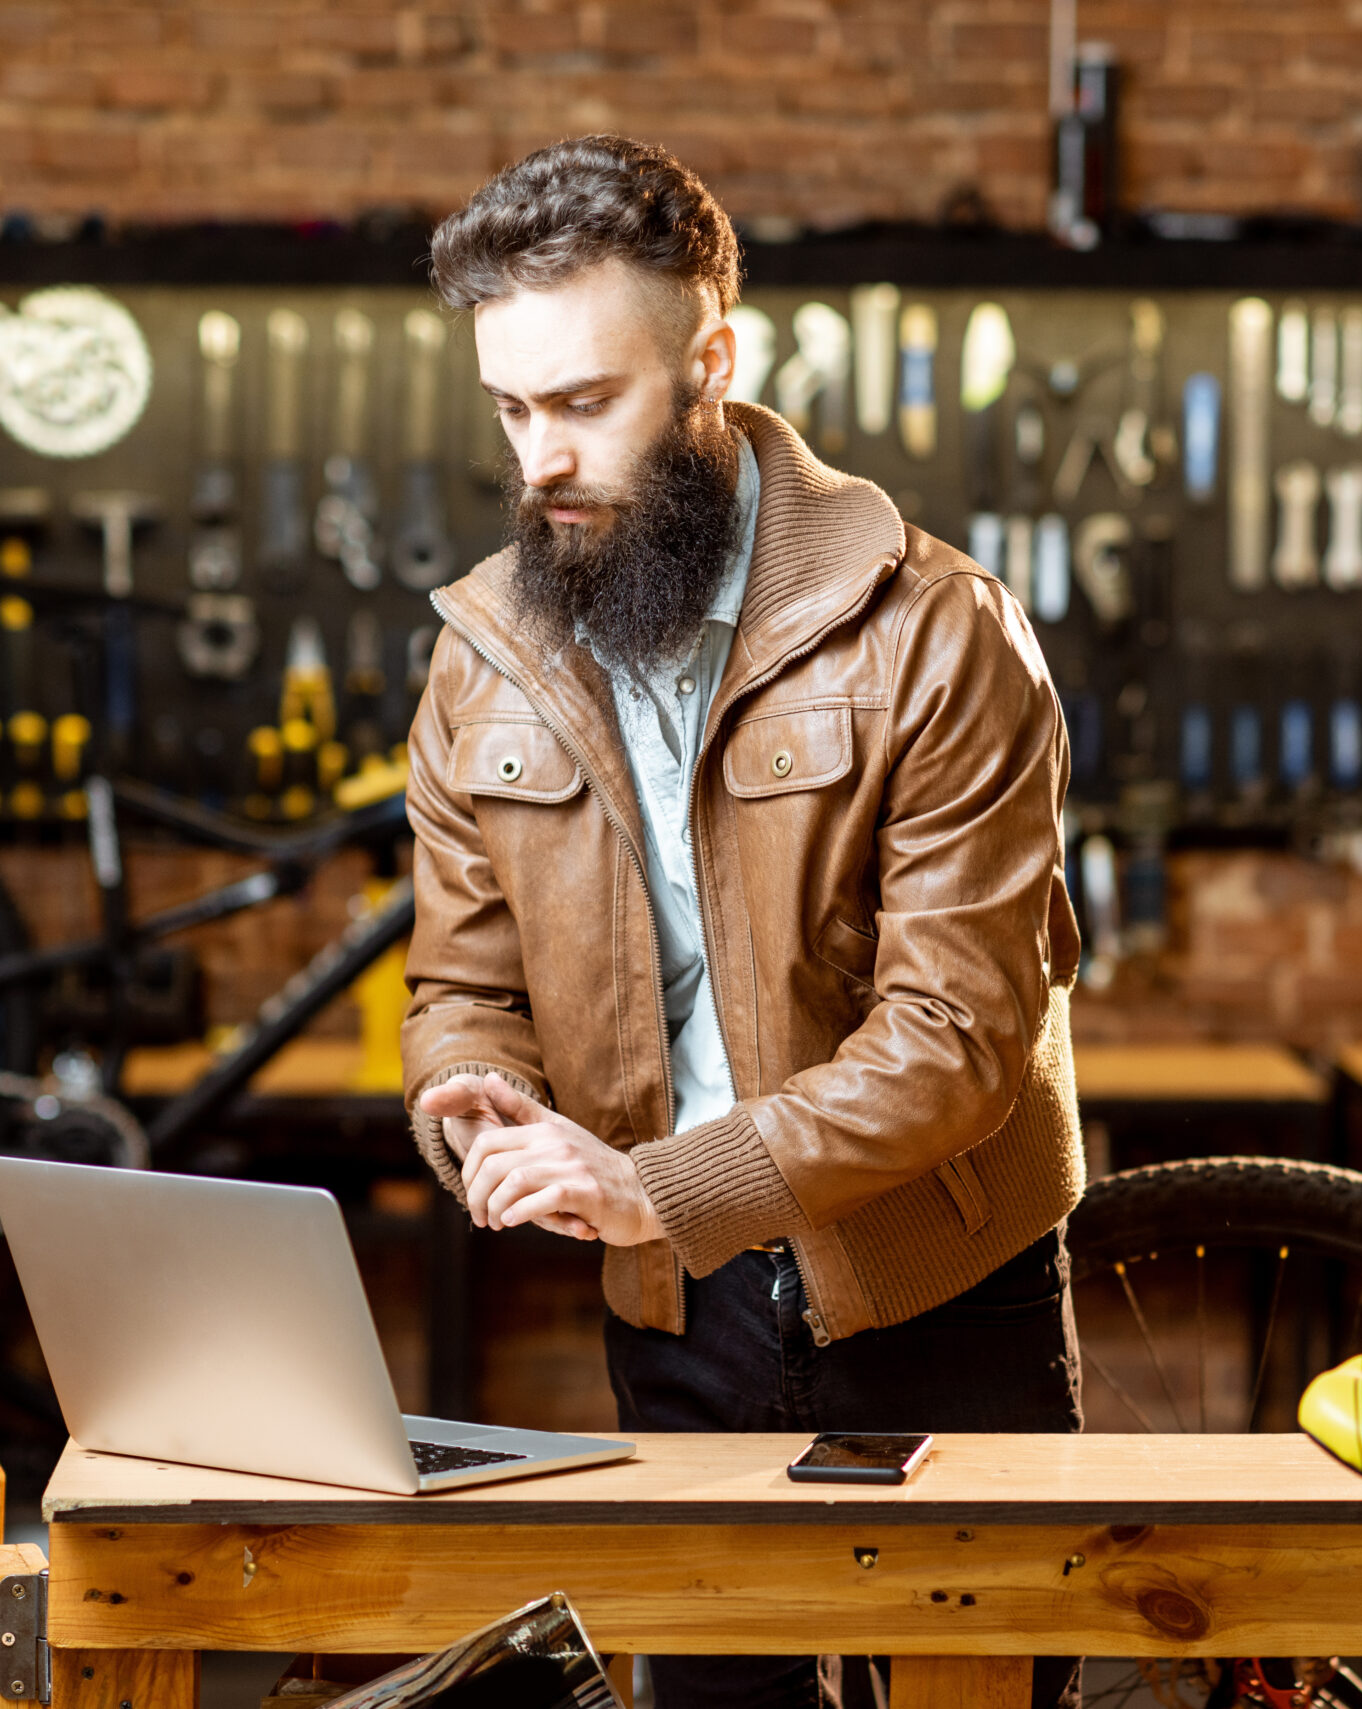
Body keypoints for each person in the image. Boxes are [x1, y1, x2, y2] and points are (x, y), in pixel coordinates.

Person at [403, 134, 1085, 1709]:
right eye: (511, 408)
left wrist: (656, 1182)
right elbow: (459, 980)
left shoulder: (935, 633)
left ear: (711, 357)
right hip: (669, 1306)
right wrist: (469, 1091)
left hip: (931, 1286)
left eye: (585, 403)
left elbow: (958, 1043)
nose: (541, 462)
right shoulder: (483, 656)